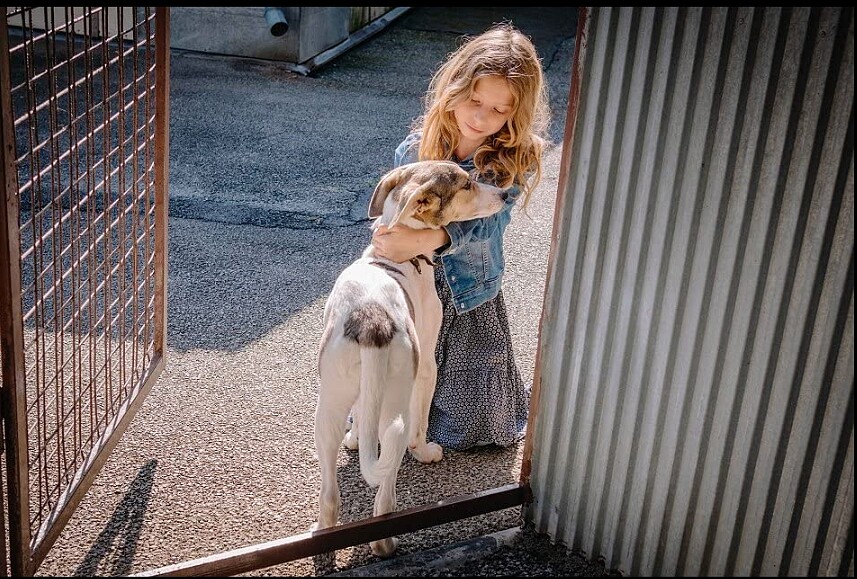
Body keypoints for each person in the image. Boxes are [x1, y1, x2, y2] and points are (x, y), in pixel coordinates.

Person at [370, 22, 551, 450]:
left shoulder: (511, 160)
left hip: (468, 294)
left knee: (473, 427)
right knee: (396, 381)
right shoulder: (415, 149)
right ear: (454, 89)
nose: (481, 117)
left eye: (498, 110)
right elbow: (394, 210)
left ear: (516, 113)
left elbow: (489, 224)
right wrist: (392, 241)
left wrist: (430, 241)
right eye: (474, 101)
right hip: (411, 285)